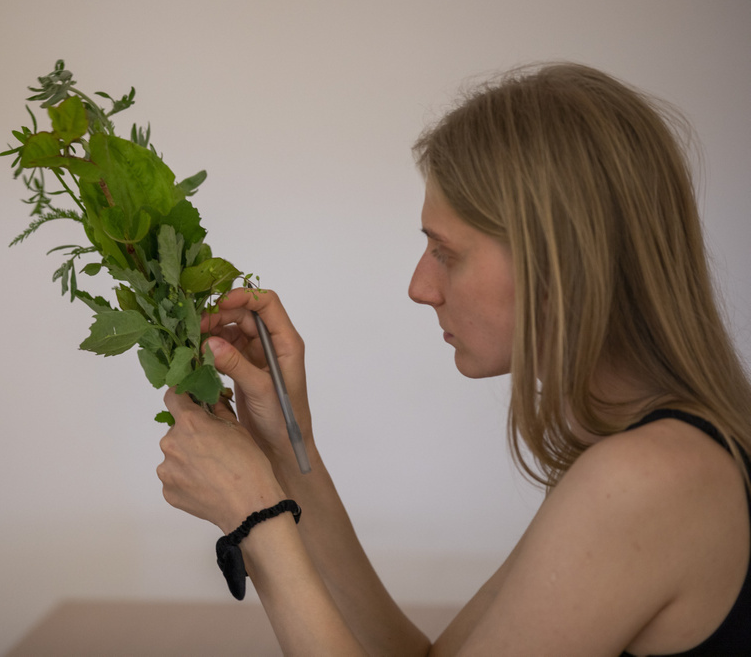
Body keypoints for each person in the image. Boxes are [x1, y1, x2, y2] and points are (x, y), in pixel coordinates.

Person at [155, 63, 751, 656]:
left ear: (559, 267)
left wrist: (255, 520)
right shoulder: (645, 451)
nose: (420, 287)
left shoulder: (647, 480)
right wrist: (287, 448)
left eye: (446, 253)